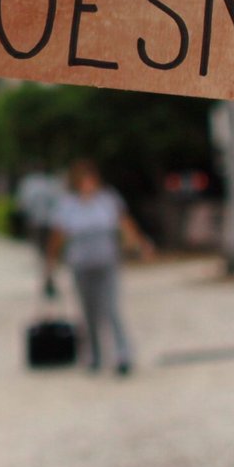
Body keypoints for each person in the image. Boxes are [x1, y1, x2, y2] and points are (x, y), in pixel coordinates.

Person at [43, 159, 153, 376]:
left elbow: (124, 223)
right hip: (81, 265)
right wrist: (51, 263)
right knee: (89, 312)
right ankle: (93, 355)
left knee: (111, 309)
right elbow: (58, 236)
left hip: (106, 263)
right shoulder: (68, 205)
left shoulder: (107, 200)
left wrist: (140, 244)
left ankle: (123, 354)